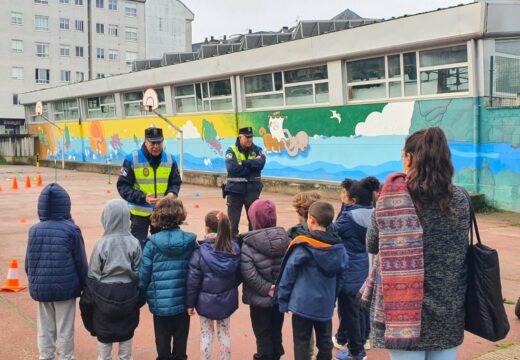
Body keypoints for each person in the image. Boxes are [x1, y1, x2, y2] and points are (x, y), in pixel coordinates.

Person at [361, 127, 470, 360]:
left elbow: (371, 244)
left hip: (403, 313)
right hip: (448, 308)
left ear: (409, 158)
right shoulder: (460, 199)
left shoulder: (391, 199)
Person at [277, 201, 348, 360]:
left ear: (311, 219)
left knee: (301, 342)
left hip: (302, 303)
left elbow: (288, 274)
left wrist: (282, 299)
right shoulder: (339, 249)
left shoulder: (303, 246)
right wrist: (332, 297)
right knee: (324, 342)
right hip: (325, 304)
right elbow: (341, 277)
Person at [25, 183, 88, 360]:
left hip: (42, 287)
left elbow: (28, 263)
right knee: (65, 327)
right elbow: (80, 262)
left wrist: (34, 280)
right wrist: (85, 284)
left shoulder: (34, 230)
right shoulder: (71, 230)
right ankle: (66, 356)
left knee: (45, 327)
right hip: (66, 289)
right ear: (66, 205)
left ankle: (45, 356)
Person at [79, 199, 142, 360]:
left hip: (103, 297)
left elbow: (93, 274)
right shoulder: (134, 243)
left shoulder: (101, 244)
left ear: (105, 218)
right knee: (126, 348)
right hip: (128, 295)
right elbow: (138, 272)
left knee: (104, 348)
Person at [139, 198, 196, 360]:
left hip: (160, 303)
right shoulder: (190, 241)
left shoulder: (152, 244)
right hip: (183, 302)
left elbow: (144, 274)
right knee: (181, 343)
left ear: (158, 217)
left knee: (162, 344)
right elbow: (196, 271)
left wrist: (141, 293)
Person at [333, 177, 380, 360]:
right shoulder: (376, 214)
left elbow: (332, 233)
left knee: (349, 312)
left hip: (349, 269)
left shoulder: (347, 217)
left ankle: (356, 352)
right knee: (362, 307)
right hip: (366, 266)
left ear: (353, 200)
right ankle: (361, 341)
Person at [186, 211, 241, 360]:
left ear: (206, 228)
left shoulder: (199, 252)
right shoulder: (234, 249)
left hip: (205, 302)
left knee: (206, 334)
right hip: (226, 300)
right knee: (224, 333)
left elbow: (193, 281)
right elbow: (238, 275)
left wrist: (189, 303)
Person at [241, 199, 290, 360]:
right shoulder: (286, 239)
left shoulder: (248, 244)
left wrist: (267, 288)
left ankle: (264, 356)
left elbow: (248, 273)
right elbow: (290, 267)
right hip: (279, 297)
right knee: (276, 329)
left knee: (262, 333)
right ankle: (276, 354)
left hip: (259, 299)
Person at [117, 126, 182, 247]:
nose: (156, 146)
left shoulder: (170, 159)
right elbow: (123, 187)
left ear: (163, 141)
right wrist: (143, 197)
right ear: (146, 141)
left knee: (161, 247)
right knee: (137, 248)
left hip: (162, 212)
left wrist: (170, 195)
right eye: (152, 142)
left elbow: (175, 182)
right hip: (139, 214)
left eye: (159, 142)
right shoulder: (132, 159)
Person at [224, 126, 266, 238]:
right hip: (235, 191)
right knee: (233, 223)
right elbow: (232, 169)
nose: (250, 140)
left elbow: (260, 164)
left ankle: (252, 244)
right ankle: (233, 246)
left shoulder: (257, 149)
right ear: (240, 137)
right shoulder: (231, 150)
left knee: (254, 221)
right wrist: (251, 165)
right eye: (247, 137)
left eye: (251, 137)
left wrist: (243, 163)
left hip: (252, 190)